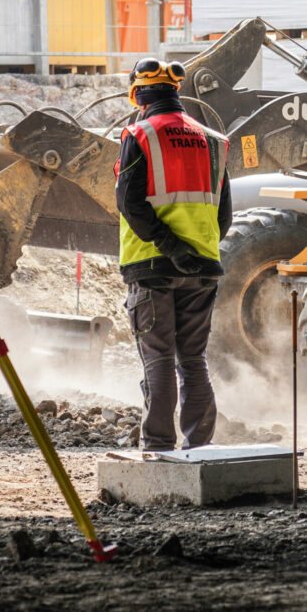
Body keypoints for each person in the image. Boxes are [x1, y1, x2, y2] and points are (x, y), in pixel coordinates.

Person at [114, 58, 232, 452]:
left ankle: (159, 448)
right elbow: (224, 213)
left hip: (151, 267)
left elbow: (130, 204)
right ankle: (199, 446)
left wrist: (170, 249)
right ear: (175, 92)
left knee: (159, 358)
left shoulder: (140, 133)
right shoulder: (214, 140)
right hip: (202, 269)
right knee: (193, 360)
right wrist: (194, 252)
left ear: (138, 95)